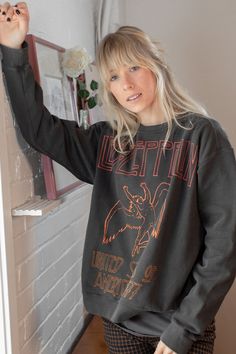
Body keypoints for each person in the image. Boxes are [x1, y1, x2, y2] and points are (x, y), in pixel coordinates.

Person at [0, 2, 236, 354]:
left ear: (156, 66)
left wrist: (183, 329)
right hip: (119, 323)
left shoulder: (201, 136)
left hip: (179, 326)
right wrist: (12, 49)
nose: (125, 84)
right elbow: (39, 131)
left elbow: (225, 239)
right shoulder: (109, 142)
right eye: (112, 76)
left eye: (133, 67)